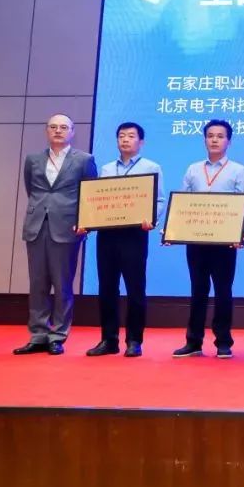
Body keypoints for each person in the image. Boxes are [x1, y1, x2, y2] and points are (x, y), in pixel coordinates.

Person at [13, 114, 98, 356]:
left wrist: (85, 222)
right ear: (46, 131)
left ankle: (58, 335)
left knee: (62, 285)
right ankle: (38, 334)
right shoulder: (33, 159)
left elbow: (90, 194)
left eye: (63, 127)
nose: (58, 131)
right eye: (53, 127)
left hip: (67, 228)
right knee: (37, 284)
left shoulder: (84, 160)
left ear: (72, 131)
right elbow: (31, 189)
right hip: (36, 226)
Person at [84, 122, 166, 358]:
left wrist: (151, 218)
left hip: (134, 234)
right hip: (107, 234)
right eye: (121, 136)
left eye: (131, 136)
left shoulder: (151, 167)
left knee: (135, 288)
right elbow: (97, 199)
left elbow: (159, 200)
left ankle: (134, 340)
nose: (125, 140)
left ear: (141, 142)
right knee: (107, 287)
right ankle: (109, 340)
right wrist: (88, 219)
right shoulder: (107, 168)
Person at [172, 120, 244, 359]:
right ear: (205, 139)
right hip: (196, 241)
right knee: (198, 290)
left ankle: (223, 342)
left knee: (223, 291)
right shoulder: (193, 169)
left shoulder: (238, 170)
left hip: (224, 242)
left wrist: (240, 233)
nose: (215, 140)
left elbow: (243, 205)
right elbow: (183, 203)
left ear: (229, 141)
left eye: (220, 136)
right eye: (210, 135)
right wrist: (173, 231)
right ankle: (193, 341)